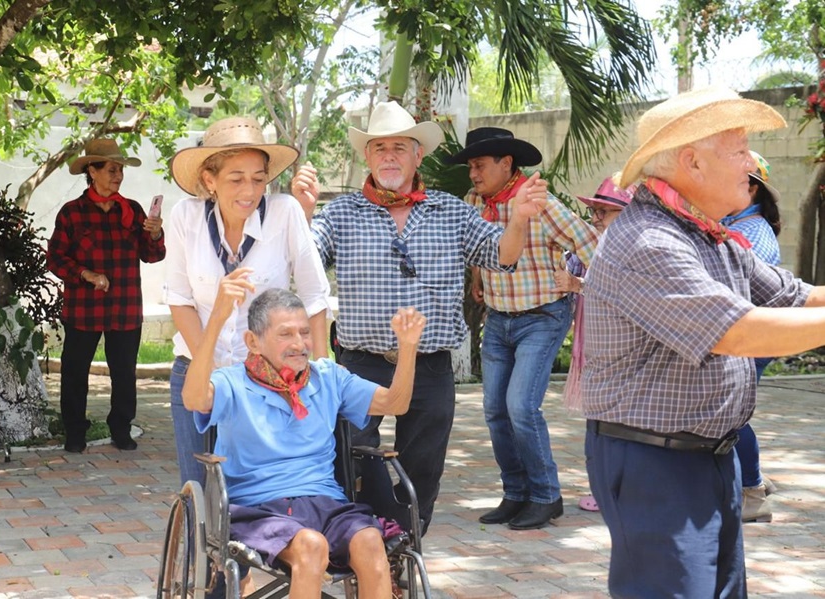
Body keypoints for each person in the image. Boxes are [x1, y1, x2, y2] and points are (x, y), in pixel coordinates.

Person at [581, 85, 825, 597]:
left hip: (709, 457)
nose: (751, 164)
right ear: (691, 162)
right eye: (738, 151)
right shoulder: (649, 240)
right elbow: (739, 331)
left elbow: (798, 298)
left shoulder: (705, 234)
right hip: (654, 464)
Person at [290, 100, 549, 532]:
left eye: (399, 147)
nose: (389, 156)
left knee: (423, 469)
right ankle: (369, 539)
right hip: (361, 364)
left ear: (417, 155)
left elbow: (501, 257)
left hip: (429, 365)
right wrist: (303, 213)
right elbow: (303, 264)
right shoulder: (341, 213)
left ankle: (406, 546)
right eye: (379, 148)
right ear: (366, 156)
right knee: (352, 457)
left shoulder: (451, 211)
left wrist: (519, 218)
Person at [181, 278, 426, 598]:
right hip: (258, 507)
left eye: (304, 332)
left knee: (369, 543)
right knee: (311, 546)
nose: (299, 343)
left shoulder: (328, 377)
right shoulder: (232, 382)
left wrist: (407, 348)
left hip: (325, 503)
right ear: (253, 342)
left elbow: (396, 403)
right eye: (286, 334)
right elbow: (194, 399)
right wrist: (215, 321)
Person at [164, 116, 331, 488]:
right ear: (210, 180)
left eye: (258, 178)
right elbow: (179, 299)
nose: (249, 190)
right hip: (196, 372)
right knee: (199, 493)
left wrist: (318, 381)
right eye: (236, 178)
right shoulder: (185, 217)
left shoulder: (285, 212)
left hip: (267, 381)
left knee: (258, 494)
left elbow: (315, 297)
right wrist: (210, 367)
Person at [445, 127, 598, 530]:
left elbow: (594, 245)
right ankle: (515, 494)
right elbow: (477, 247)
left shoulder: (539, 203)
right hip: (498, 319)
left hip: (543, 316)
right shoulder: (474, 202)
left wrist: (582, 285)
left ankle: (546, 496)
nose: (473, 174)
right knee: (495, 411)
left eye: (479, 165)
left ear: (506, 163)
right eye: (471, 167)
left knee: (520, 407)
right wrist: (478, 278)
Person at [47, 139, 165, 453]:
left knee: (124, 374)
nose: (118, 175)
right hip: (83, 309)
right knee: (74, 373)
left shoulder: (133, 211)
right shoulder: (72, 214)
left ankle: (121, 429)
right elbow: (56, 259)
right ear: (92, 170)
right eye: (112, 169)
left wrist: (153, 233)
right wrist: (85, 275)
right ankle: (75, 432)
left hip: (125, 307)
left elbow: (152, 256)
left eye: (120, 170)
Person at [552, 176, 634, 513]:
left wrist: (577, 283)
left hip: (621, 351)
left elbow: (621, 292)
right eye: (595, 210)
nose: (596, 217)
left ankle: (617, 490)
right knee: (598, 423)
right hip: (593, 347)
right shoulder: (591, 243)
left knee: (620, 424)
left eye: (605, 211)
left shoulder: (633, 248)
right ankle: (605, 489)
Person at [720, 150, 783, 523]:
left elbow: (742, 290)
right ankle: (751, 480)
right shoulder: (736, 226)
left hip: (751, 335)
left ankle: (753, 491)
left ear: (754, 190)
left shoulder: (751, 233)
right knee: (732, 413)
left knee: (732, 416)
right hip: (744, 334)